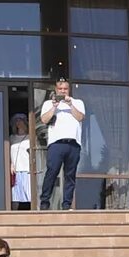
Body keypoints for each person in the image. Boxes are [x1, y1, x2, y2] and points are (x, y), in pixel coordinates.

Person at [37, 78, 88, 210]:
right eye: (60, 89)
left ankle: (66, 204)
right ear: (56, 90)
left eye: (65, 89)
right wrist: (55, 106)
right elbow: (44, 119)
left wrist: (70, 104)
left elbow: (81, 117)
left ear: (68, 89)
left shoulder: (77, 102)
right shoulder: (49, 103)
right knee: (52, 172)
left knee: (70, 175)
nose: (63, 91)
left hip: (73, 143)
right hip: (56, 144)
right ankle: (44, 202)